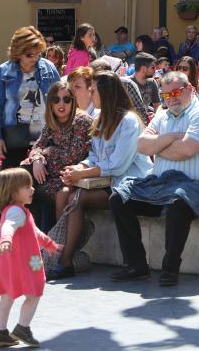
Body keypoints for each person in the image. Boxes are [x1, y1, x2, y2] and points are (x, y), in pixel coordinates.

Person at [109, 71, 199, 286]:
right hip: (161, 185)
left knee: (179, 203)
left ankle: (170, 268)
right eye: (167, 95)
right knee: (119, 198)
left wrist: (159, 146)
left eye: (177, 92)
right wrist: (171, 138)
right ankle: (136, 264)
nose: (173, 98)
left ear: (191, 89)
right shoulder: (162, 115)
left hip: (197, 187)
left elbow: (188, 149)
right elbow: (142, 146)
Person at [50, 72, 153, 280]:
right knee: (65, 194)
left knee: (76, 198)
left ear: (106, 93)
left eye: (93, 90)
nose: (89, 94)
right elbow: (94, 156)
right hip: (107, 181)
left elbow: (118, 164)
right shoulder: (99, 118)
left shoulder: (129, 121)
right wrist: (76, 167)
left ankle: (65, 260)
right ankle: (65, 253)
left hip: (131, 183)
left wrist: (84, 172)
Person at [0, 27, 60, 251]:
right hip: (14, 137)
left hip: (43, 136)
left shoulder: (48, 69)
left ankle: (33, 233)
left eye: (38, 53)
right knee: (9, 184)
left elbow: (59, 97)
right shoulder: (5, 71)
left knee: (38, 185)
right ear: (17, 52)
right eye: (30, 54)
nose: (35, 59)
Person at [0, 168, 61, 348]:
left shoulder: (16, 211)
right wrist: (5, 239)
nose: (32, 189)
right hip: (27, 264)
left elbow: (34, 232)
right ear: (13, 192)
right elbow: (8, 227)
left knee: (6, 298)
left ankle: (0, 333)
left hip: (9, 265)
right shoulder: (17, 213)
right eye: (27, 186)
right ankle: (22, 328)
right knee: (34, 293)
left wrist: (49, 244)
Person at [22, 81, 93, 229]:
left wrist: (47, 152)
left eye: (67, 99)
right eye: (56, 100)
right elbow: (37, 147)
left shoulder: (82, 121)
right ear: (51, 104)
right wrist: (37, 160)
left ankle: (44, 238)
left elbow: (73, 156)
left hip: (70, 177)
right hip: (51, 176)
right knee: (23, 175)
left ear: (73, 102)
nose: (62, 104)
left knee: (40, 191)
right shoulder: (52, 123)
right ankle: (25, 230)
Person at [89, 58, 149, 125]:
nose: (91, 78)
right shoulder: (91, 88)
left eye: (93, 75)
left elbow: (140, 112)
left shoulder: (126, 84)